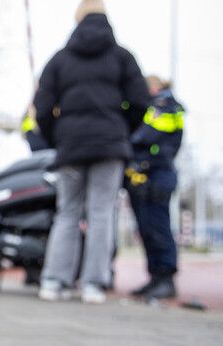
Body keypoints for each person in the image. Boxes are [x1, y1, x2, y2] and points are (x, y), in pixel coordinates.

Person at [34, 0, 150, 303]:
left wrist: (55, 137)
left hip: (70, 146)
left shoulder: (60, 60)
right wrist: (122, 129)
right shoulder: (122, 57)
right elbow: (140, 101)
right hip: (110, 146)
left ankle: (53, 281)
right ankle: (93, 285)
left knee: (67, 213)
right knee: (101, 213)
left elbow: (43, 107)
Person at [126, 76, 184, 299]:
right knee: (146, 230)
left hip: (158, 175)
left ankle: (166, 278)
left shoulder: (166, 106)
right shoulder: (149, 107)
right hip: (143, 177)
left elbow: (145, 135)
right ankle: (154, 278)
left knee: (159, 229)